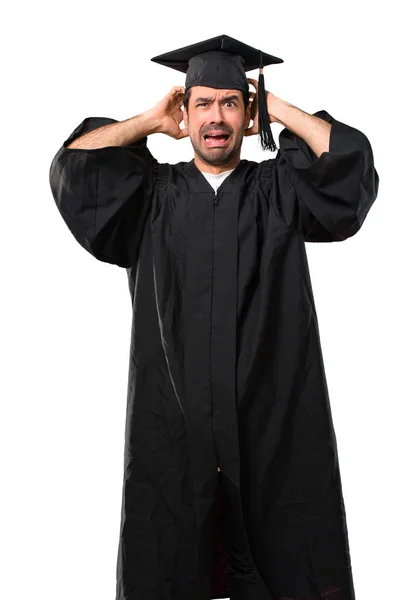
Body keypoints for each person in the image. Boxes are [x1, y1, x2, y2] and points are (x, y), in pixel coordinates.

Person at [49, 34, 379, 600]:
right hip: (173, 435)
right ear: (186, 111)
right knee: (169, 561)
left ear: (247, 113)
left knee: (291, 559)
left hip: (275, 431)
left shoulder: (278, 189)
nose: (217, 117)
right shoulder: (151, 196)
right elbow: (75, 167)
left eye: (231, 101)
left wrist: (273, 107)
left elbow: (349, 167)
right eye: (202, 103)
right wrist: (151, 120)